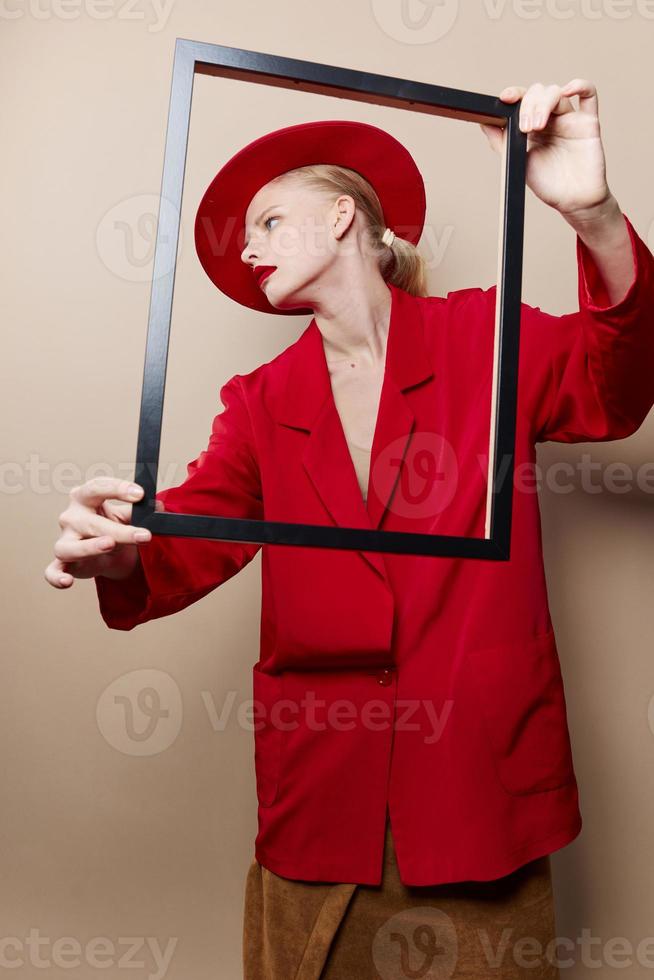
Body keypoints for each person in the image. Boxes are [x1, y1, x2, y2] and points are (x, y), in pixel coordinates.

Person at [46, 80, 654, 979]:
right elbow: (193, 534)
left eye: (267, 222)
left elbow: (616, 387)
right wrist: (115, 552)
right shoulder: (259, 404)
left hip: (481, 793)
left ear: (341, 216)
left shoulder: (484, 338)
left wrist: (594, 215)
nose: (249, 250)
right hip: (325, 802)